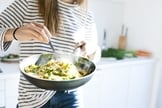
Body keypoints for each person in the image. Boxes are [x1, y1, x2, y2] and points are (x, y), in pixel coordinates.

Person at [0, 0, 101, 107]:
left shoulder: (87, 15)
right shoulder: (27, 3)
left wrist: (91, 49)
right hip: (33, 99)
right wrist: (14, 33)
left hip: (71, 95)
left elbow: (95, 56)